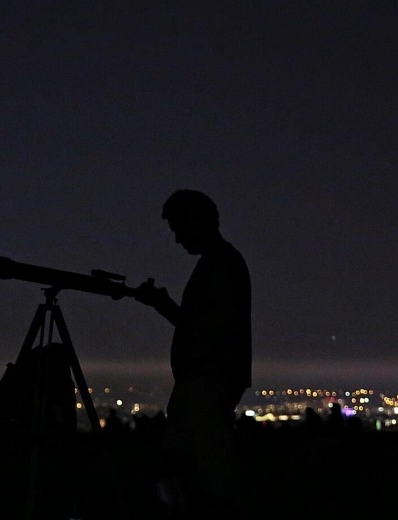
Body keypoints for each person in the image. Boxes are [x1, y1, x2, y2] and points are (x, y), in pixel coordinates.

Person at [129, 189, 252, 517]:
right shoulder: (220, 263)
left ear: (198, 221)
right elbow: (201, 325)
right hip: (204, 381)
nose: (178, 239)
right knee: (193, 472)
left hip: (206, 381)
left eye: (179, 229)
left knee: (206, 475)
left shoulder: (220, 264)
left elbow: (209, 330)